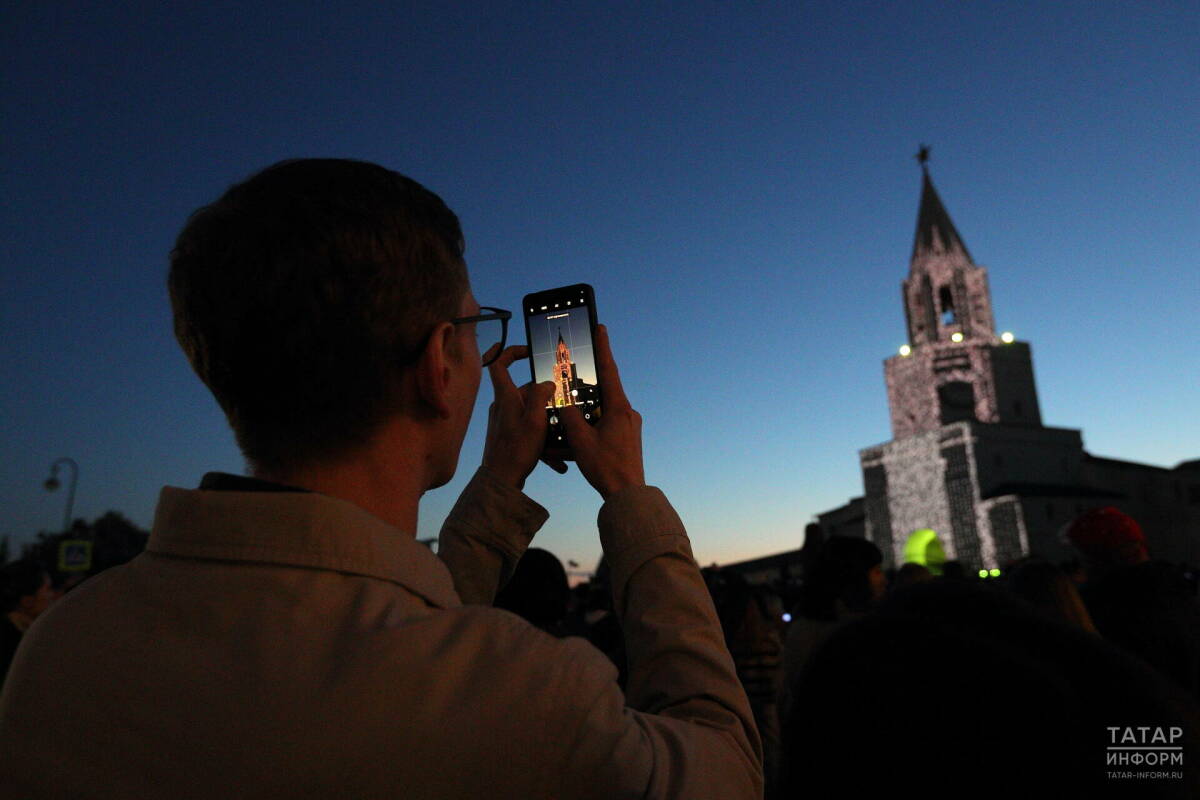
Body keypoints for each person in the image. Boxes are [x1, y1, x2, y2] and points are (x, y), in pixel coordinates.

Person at [0, 159, 761, 798]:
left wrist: (499, 485)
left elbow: (395, 628)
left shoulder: (61, 651)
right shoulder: (524, 696)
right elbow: (725, 766)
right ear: (437, 364)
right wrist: (629, 495)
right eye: (474, 329)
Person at [0, 560, 57, 687]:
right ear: (28, 601)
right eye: (48, 589)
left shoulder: (28, 634)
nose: (53, 595)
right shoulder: (15, 645)